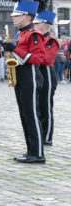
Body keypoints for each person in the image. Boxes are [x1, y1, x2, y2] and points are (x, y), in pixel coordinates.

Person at [1, 0, 47, 163]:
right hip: (21, 75)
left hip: (31, 76)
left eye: (17, 15)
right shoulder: (22, 33)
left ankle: (38, 153)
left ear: (27, 16)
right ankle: (30, 150)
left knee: (32, 114)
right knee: (24, 114)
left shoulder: (34, 34)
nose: (13, 18)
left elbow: (37, 59)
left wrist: (15, 49)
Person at [33, 9, 59, 146]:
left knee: (46, 106)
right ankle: (39, 134)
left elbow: (45, 59)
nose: (34, 26)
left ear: (44, 25)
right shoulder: (37, 38)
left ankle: (47, 136)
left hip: (46, 73)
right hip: (36, 73)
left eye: (36, 23)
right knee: (37, 106)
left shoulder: (50, 41)